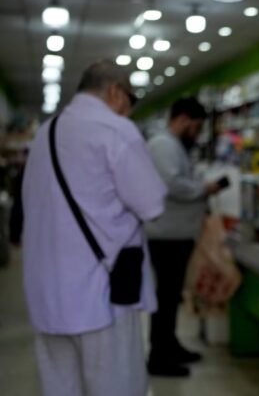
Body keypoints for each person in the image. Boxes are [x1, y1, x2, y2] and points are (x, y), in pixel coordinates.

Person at [22, 61, 167, 396]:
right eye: (131, 99)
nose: (130, 110)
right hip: (100, 294)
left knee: (60, 388)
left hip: (47, 296)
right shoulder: (115, 130)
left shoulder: (46, 132)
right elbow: (152, 204)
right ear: (115, 92)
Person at [145, 97, 228, 377]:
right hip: (166, 235)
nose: (197, 133)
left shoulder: (172, 145)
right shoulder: (163, 145)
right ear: (182, 120)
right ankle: (159, 357)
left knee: (171, 296)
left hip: (176, 234)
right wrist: (204, 189)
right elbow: (173, 184)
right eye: (195, 127)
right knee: (166, 297)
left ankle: (170, 345)